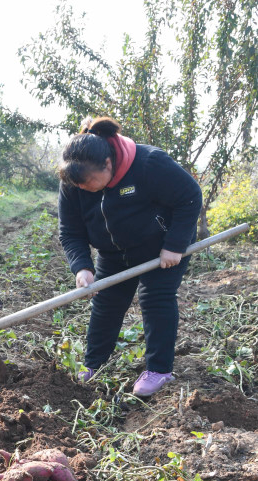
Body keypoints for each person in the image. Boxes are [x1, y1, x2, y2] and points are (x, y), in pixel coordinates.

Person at [58, 117, 202, 397]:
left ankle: (159, 370)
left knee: (155, 298)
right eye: (80, 186)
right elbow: (70, 230)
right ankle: (93, 364)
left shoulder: (149, 163)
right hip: (114, 250)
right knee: (107, 302)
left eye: (90, 183)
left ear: (108, 165)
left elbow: (190, 196)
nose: (85, 189)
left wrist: (174, 244)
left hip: (163, 246)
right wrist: (82, 267)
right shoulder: (74, 180)